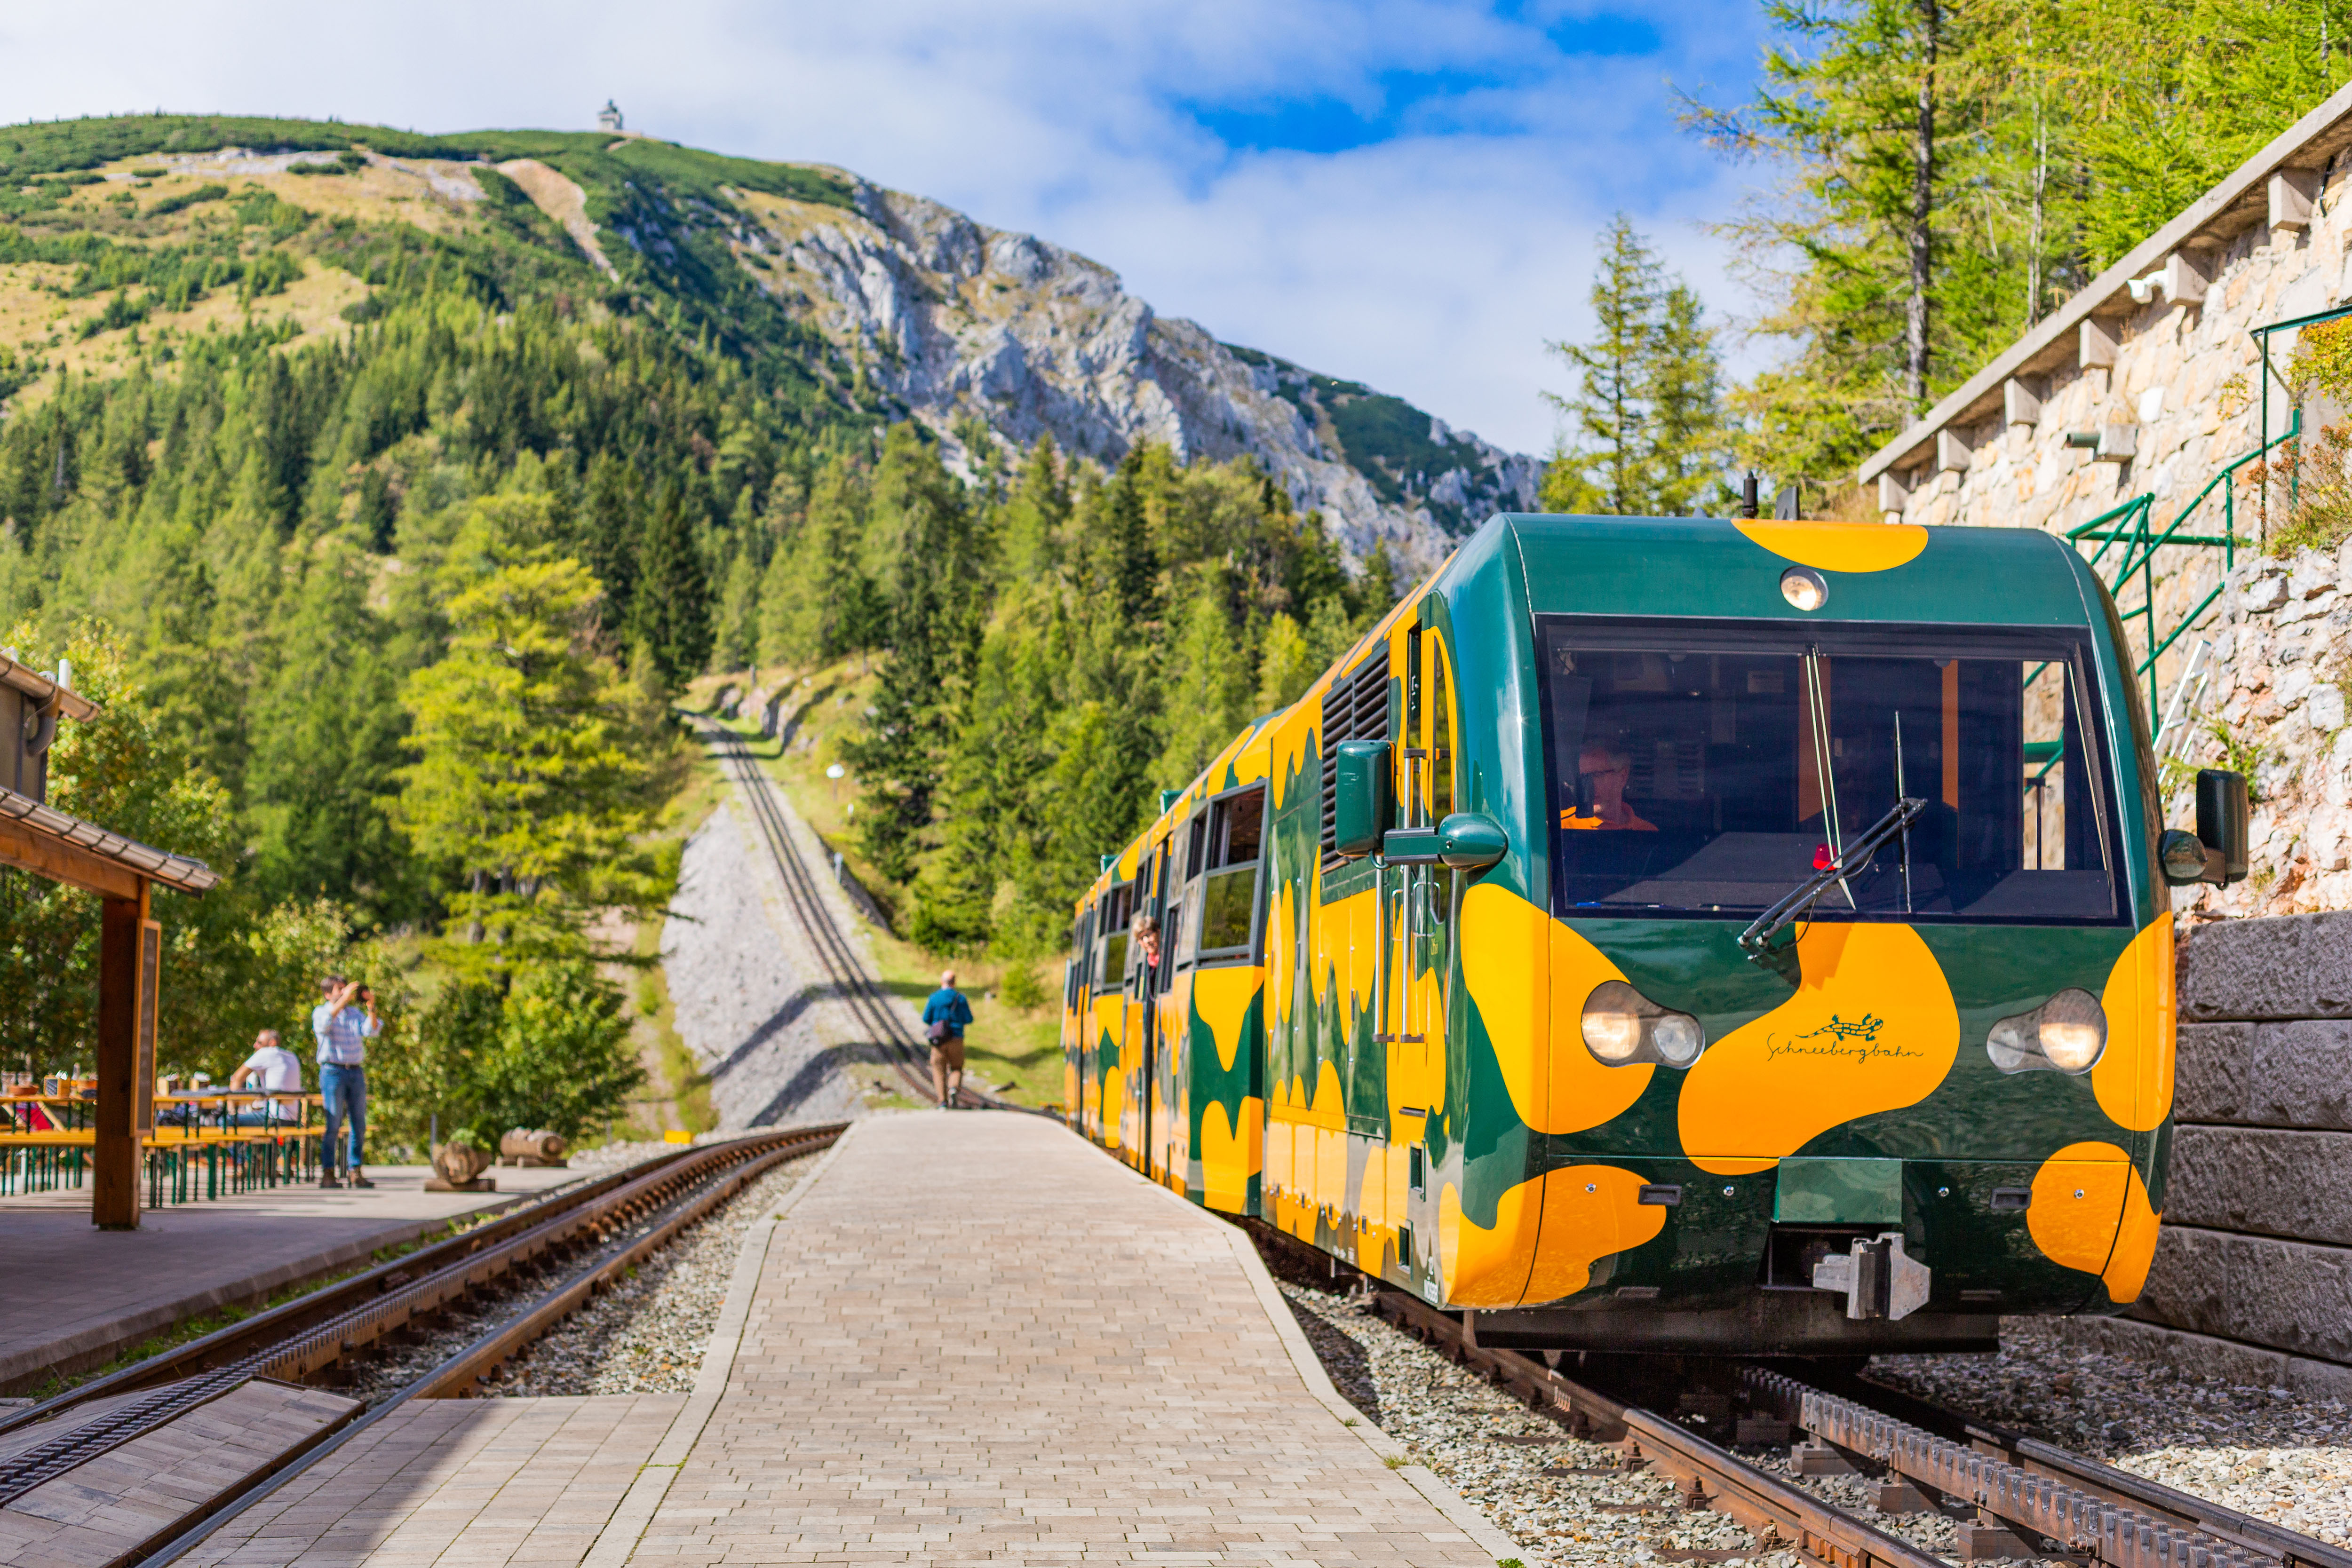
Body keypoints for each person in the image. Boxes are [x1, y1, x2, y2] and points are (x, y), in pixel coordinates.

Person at [310, 976, 381, 1189]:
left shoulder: (354, 1014)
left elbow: (372, 1031)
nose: (345, 993)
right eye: (339, 989)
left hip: (355, 1071)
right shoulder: (321, 1011)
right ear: (327, 994)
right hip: (332, 1071)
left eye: (345, 989)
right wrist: (343, 1000)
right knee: (333, 1123)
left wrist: (372, 1006)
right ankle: (328, 1173)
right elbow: (323, 1026)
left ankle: (355, 1171)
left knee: (359, 1124)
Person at [1564, 739, 1657, 832]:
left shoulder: (1647, 831)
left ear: (1622, 777)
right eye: (1584, 777)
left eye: (1598, 775)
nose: (1589, 786)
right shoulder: (1563, 826)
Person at [922, 970, 974, 1109]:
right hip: (957, 1038)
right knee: (957, 1067)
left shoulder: (934, 998)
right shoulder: (960, 999)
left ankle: (943, 1102)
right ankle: (954, 1088)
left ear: (942, 982)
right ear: (954, 983)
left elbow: (926, 1018)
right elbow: (969, 1019)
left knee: (939, 1070)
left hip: (939, 1040)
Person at [229, 1029, 302, 1128]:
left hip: (273, 1118)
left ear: (272, 1043)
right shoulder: (292, 1056)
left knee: (226, 1121)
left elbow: (236, 1078)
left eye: (260, 1043)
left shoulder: (266, 1052)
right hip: (293, 1120)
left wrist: (232, 1110)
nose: (255, 1046)